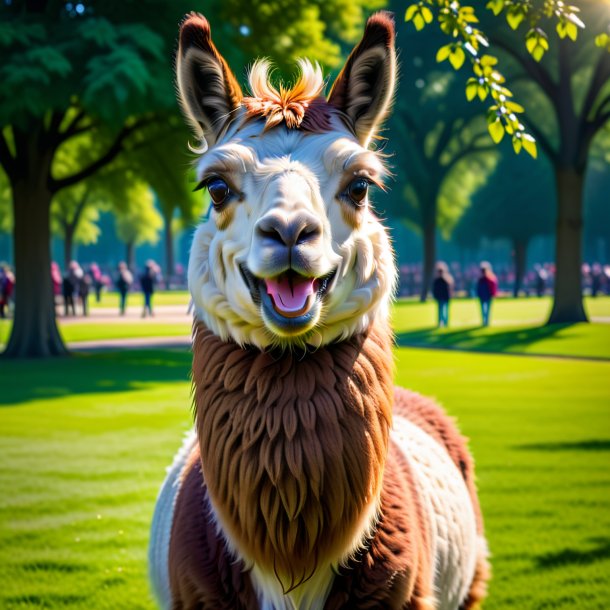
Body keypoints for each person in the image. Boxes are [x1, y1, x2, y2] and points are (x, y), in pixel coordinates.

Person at [432, 262, 453, 328]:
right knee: (440, 310)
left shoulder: (447, 279)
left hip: (446, 297)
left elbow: (450, 288)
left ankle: (445, 322)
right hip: (440, 298)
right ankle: (441, 322)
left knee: (445, 310)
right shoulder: (437, 280)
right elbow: (435, 290)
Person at [477, 261, 498, 327]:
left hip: (488, 296)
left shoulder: (490, 278)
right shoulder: (481, 279)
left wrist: (493, 294)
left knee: (487, 310)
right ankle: (484, 321)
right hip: (483, 296)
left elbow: (493, 287)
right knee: (484, 310)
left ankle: (486, 321)